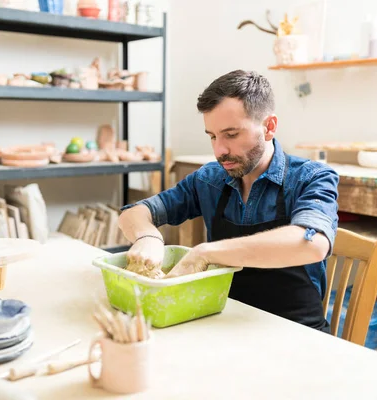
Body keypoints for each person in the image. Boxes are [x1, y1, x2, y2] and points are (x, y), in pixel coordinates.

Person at [118, 70, 339, 333]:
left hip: (296, 334)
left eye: (231, 135)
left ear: (269, 127)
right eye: (212, 136)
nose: (219, 150)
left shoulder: (312, 177)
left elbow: (311, 244)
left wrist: (204, 253)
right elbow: (133, 213)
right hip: (224, 325)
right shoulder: (209, 180)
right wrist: (147, 237)